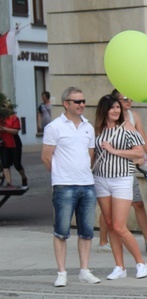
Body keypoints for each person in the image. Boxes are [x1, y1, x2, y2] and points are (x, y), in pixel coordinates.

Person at [41, 87, 101, 287]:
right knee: (61, 231)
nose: (81, 104)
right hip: (64, 185)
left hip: (87, 184)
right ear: (66, 104)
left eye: (83, 101)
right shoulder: (55, 127)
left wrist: (82, 171)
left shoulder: (88, 127)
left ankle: (84, 270)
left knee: (86, 231)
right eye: (77, 101)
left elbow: (90, 154)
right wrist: (60, 175)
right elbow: (46, 156)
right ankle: (62, 272)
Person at [92, 94, 147, 280]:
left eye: (118, 107)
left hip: (122, 179)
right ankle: (119, 267)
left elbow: (139, 151)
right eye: (112, 108)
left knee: (119, 225)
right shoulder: (97, 131)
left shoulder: (126, 128)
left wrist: (114, 150)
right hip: (101, 179)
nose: (116, 111)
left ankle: (141, 263)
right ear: (104, 110)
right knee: (109, 225)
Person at [0, 101, 28, 188]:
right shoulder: (1, 119)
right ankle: (9, 183)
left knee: (17, 165)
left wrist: (4, 129)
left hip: (14, 144)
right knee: (5, 164)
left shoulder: (14, 118)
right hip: (3, 143)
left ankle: (24, 177)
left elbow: (15, 131)